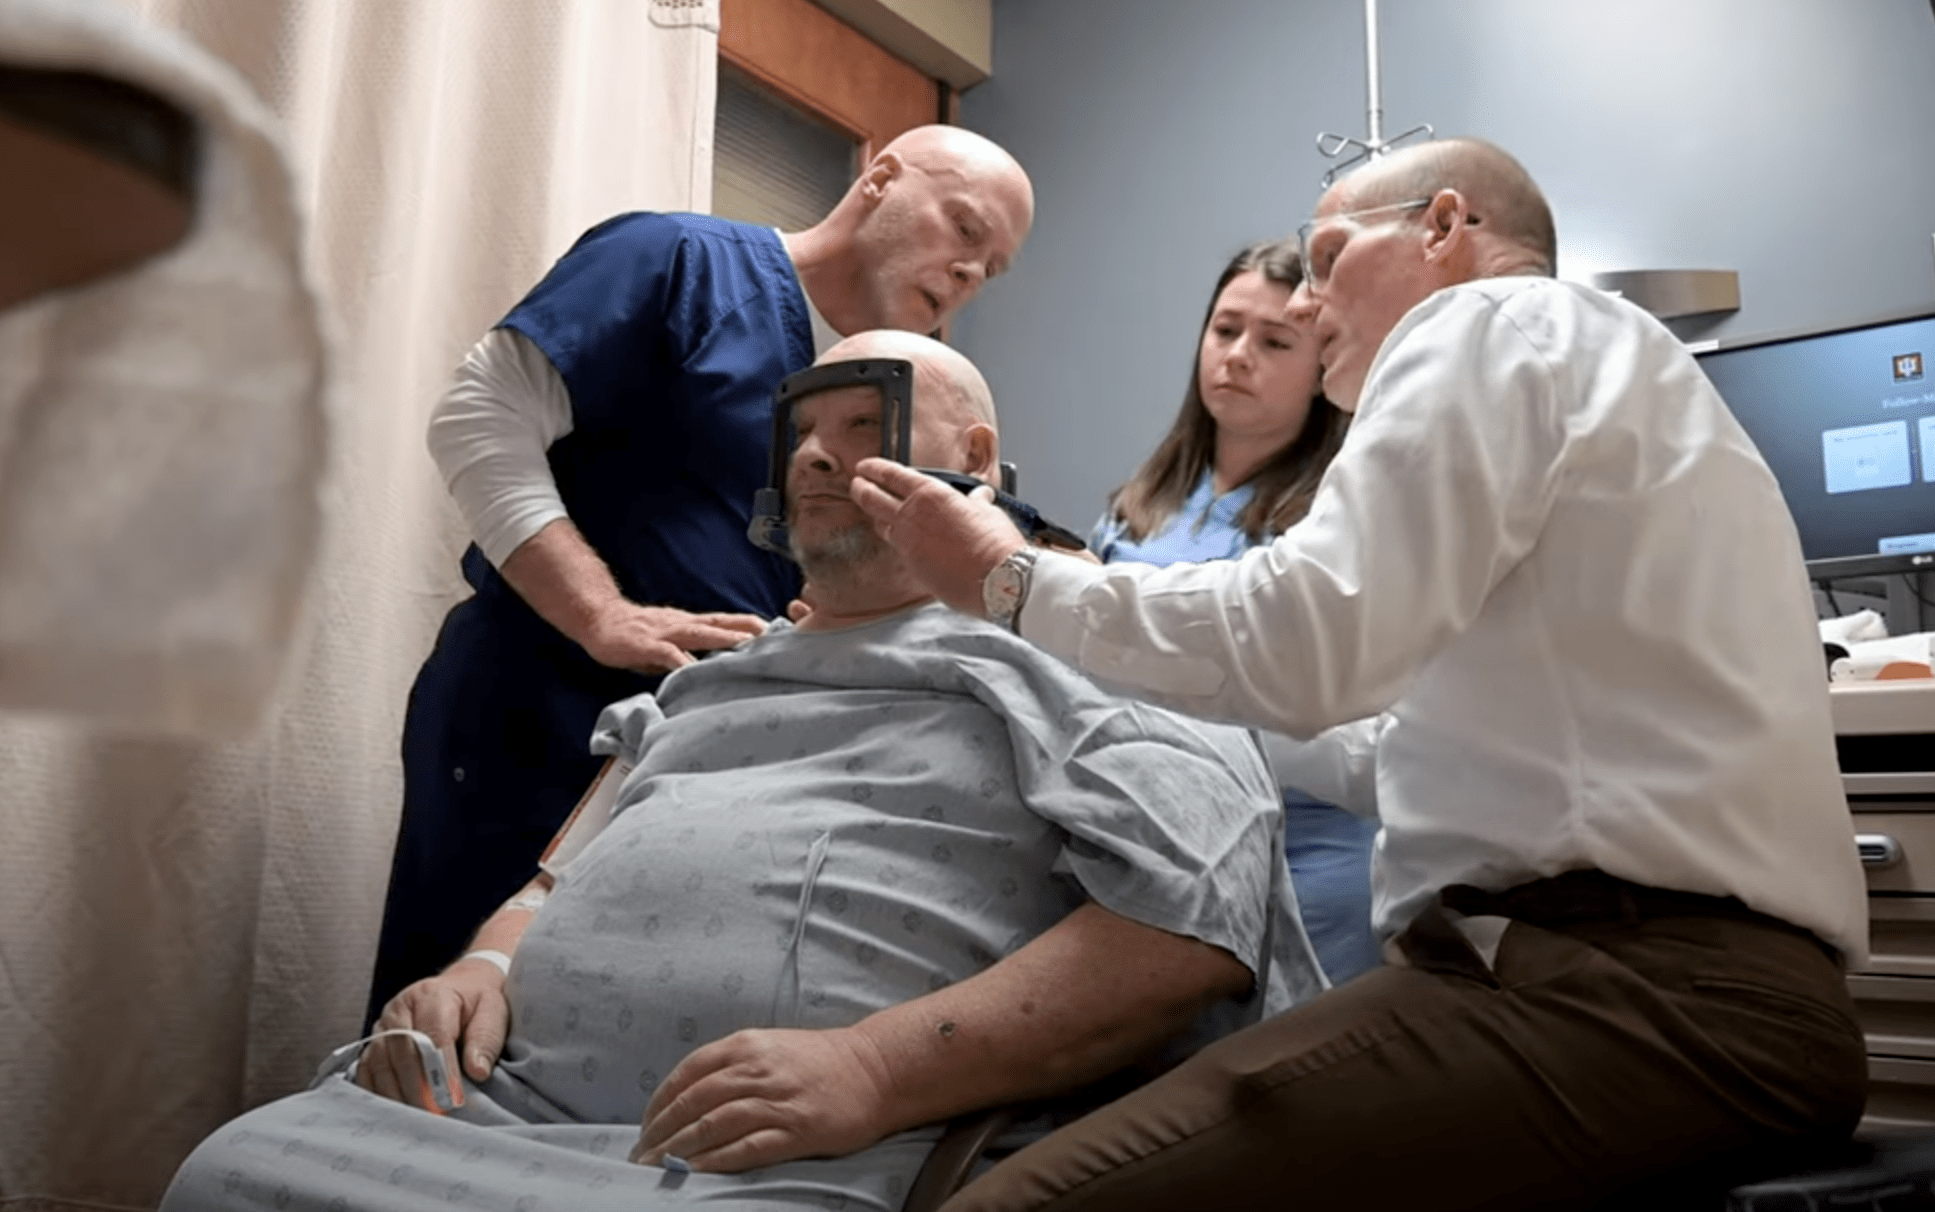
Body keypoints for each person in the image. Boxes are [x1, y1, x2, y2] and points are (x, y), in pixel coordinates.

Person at [849, 138, 1870, 1210]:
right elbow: (1404, 754)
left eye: (1330, 257)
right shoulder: (1613, 383)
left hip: (1631, 996)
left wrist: (1006, 580)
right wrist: (1132, 672)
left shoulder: (1490, 320)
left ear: (1442, 227)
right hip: (1717, 1001)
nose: (1311, 298)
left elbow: (1311, 637)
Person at [162, 331, 1323, 1212]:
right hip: (491, 1110)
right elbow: (558, 878)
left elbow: (1188, 919)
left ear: (975, 457)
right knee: (236, 1168)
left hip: (771, 1155)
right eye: (802, 432)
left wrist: (870, 1069)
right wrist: (478, 967)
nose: (818, 455)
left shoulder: (1091, 644)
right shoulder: (712, 679)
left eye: (865, 425)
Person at [368, 126, 1037, 1025]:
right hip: (545, 714)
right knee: (455, 1007)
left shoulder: (897, 387)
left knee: (614, 1017)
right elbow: (479, 415)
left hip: (708, 758)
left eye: (989, 269)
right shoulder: (682, 263)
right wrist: (602, 614)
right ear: (880, 179)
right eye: (962, 229)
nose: (966, 274)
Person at [1091, 239, 1380, 985]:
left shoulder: (1338, 519)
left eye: (1275, 341)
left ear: (1322, 371)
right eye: (1224, 330)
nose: (1238, 355)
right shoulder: (1137, 510)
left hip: (1306, 851)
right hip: (1154, 845)